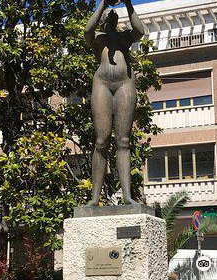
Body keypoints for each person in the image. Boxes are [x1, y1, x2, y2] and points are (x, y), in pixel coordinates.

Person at [84, 0, 145, 206]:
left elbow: (140, 30)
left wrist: (127, 2)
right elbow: (87, 29)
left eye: (114, 15)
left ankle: (127, 197)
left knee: (123, 141)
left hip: (124, 85)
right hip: (102, 84)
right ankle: (94, 199)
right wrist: (103, 2)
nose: (112, 16)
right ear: (102, 19)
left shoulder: (125, 37)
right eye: (107, 15)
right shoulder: (99, 39)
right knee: (101, 140)